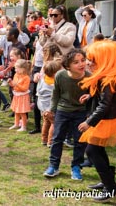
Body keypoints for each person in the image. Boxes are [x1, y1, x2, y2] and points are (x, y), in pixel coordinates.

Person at [78, 41, 116, 202]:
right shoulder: (108, 77)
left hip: (106, 120)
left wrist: (89, 122)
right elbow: (106, 99)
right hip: (107, 118)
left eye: (92, 60)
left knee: (92, 151)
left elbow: (104, 106)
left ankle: (112, 190)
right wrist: (90, 96)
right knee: (98, 150)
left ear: (105, 60)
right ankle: (107, 181)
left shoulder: (108, 80)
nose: (88, 63)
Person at [43, 49, 90, 180]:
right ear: (67, 65)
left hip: (81, 113)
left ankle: (76, 167)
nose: (81, 64)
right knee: (57, 139)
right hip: (63, 111)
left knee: (80, 141)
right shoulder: (60, 76)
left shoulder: (89, 77)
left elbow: (95, 96)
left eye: (83, 60)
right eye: (76, 62)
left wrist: (89, 113)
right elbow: (56, 94)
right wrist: (51, 110)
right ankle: (53, 166)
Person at [38, 60, 62, 147]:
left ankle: (44, 139)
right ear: (55, 73)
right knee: (54, 123)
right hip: (51, 107)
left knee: (46, 122)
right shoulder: (55, 82)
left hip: (42, 106)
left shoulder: (43, 78)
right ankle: (50, 141)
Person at [8, 59, 32, 132]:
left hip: (23, 96)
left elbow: (25, 89)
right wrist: (10, 83)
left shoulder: (26, 78)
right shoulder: (16, 75)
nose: (15, 70)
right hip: (17, 95)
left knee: (22, 112)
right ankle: (16, 124)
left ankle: (24, 127)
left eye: (17, 68)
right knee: (16, 111)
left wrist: (16, 84)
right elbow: (14, 86)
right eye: (15, 68)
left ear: (23, 69)